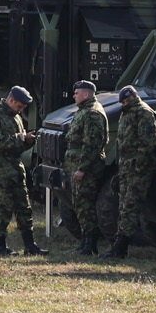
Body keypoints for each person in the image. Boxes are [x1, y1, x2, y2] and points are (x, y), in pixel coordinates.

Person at [0, 84, 44, 256]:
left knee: (24, 208)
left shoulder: (15, 116)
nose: (21, 110)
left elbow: (15, 143)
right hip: (0, 170)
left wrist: (27, 141)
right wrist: (21, 138)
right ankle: (0, 247)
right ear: (11, 100)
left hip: (15, 169)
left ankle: (30, 245)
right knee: (2, 209)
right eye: (20, 106)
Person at [107, 83, 156, 260]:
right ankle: (118, 245)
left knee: (130, 205)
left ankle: (120, 247)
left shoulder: (143, 113)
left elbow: (148, 142)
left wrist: (139, 165)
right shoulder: (127, 113)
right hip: (127, 165)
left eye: (127, 100)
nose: (125, 103)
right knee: (123, 205)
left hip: (138, 168)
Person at [62, 79, 108, 254]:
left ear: (86, 94)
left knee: (85, 204)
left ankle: (90, 244)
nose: (74, 96)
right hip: (77, 163)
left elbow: (92, 144)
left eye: (77, 93)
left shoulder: (92, 113)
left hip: (87, 167)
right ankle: (84, 242)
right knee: (79, 203)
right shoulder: (84, 111)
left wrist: (82, 168)